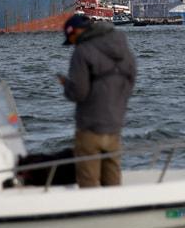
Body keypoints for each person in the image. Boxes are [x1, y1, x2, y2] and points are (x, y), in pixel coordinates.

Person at [59, 12, 137, 188]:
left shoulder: (82, 51)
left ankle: (93, 214)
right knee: (113, 181)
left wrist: (66, 85)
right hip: (115, 126)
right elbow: (130, 81)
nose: (72, 43)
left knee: (88, 182)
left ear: (76, 31)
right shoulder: (123, 48)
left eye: (70, 38)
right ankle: (116, 212)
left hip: (90, 128)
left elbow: (79, 93)